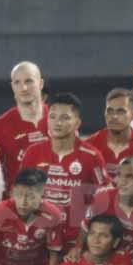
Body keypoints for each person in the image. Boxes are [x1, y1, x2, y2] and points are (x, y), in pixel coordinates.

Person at [18, 92, 108, 245]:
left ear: (77, 123)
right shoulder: (32, 153)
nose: (57, 123)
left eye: (65, 118)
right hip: (38, 239)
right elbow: (20, 195)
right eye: (52, 117)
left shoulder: (92, 156)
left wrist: (82, 241)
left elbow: (104, 199)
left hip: (75, 241)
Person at [84, 88, 133, 196]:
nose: (114, 117)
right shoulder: (90, 145)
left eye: (121, 111)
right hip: (98, 210)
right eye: (110, 111)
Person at [0, 61, 49, 192]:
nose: (24, 88)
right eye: (17, 83)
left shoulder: (60, 119)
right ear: (12, 87)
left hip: (58, 202)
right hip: (18, 206)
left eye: (29, 81)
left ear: (41, 84)